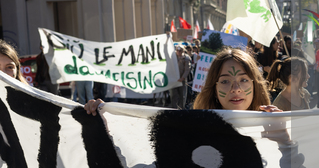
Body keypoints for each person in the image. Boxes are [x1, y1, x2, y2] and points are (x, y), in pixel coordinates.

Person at [84, 48, 280, 115]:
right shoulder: (193, 130)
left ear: (255, 85)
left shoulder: (273, 129)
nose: (235, 89)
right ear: (214, 88)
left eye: (244, 80)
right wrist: (107, 115)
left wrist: (286, 138)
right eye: (225, 81)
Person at [170, 45, 191, 109]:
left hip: (182, 80)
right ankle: (174, 108)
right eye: (177, 50)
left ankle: (181, 108)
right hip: (174, 80)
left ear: (183, 51)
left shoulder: (186, 58)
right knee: (173, 95)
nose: (179, 52)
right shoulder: (173, 57)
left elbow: (187, 69)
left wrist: (183, 77)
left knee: (182, 95)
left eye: (180, 50)